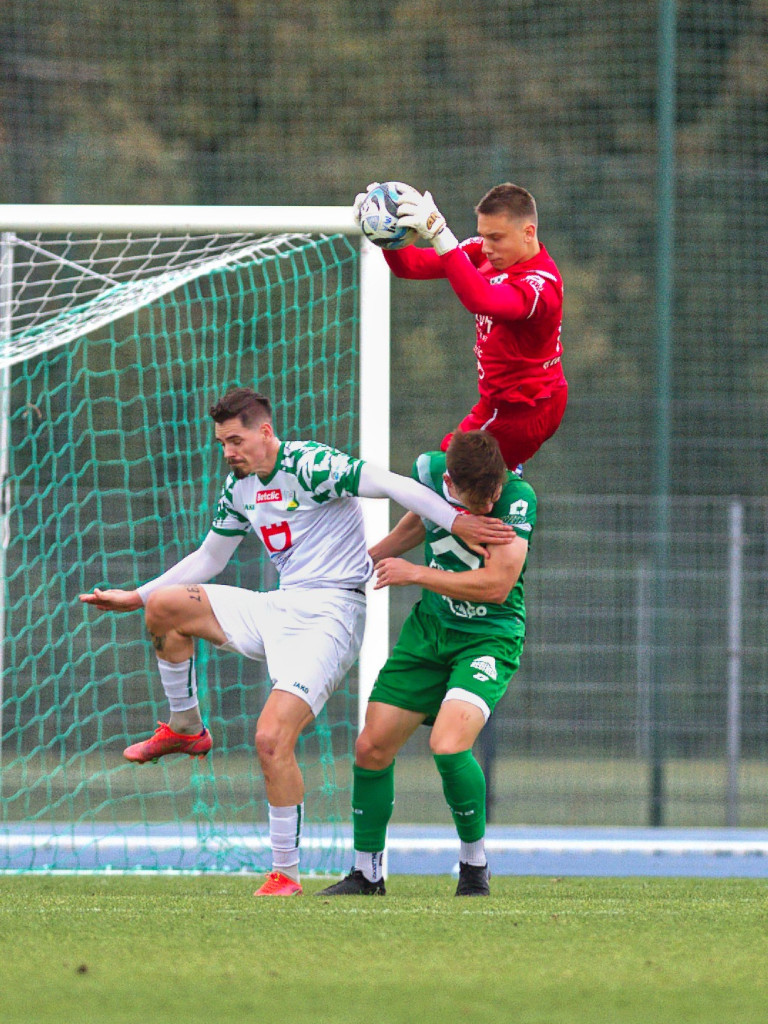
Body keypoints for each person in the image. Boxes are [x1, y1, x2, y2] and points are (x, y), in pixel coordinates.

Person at [79, 387, 514, 897]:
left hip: (331, 614)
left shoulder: (311, 464)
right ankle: (186, 727)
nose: (228, 452)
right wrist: (136, 595)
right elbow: (210, 558)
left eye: (235, 440)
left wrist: (456, 519)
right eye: (222, 443)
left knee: (270, 738)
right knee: (165, 606)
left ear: (265, 431)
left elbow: (394, 484)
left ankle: (285, 874)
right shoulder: (238, 487)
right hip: (280, 605)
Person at [316, 430, 536, 897]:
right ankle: (367, 874)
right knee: (371, 748)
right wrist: (371, 558)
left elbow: (497, 586)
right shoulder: (429, 472)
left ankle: (474, 867)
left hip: (488, 639)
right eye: (475, 498)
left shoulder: (517, 500)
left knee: (449, 744)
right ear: (451, 484)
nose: (486, 504)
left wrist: (416, 573)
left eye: (492, 493)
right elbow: (420, 521)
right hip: (429, 635)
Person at [354, 181, 567, 471]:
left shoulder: (541, 286)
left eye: (496, 238)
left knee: (445, 475)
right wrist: (386, 233)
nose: (487, 247)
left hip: (526, 410)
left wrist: (440, 235)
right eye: (483, 236)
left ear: (528, 233)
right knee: (441, 484)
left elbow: (482, 299)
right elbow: (411, 266)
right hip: (495, 404)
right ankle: (501, 498)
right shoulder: (483, 251)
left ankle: (507, 505)